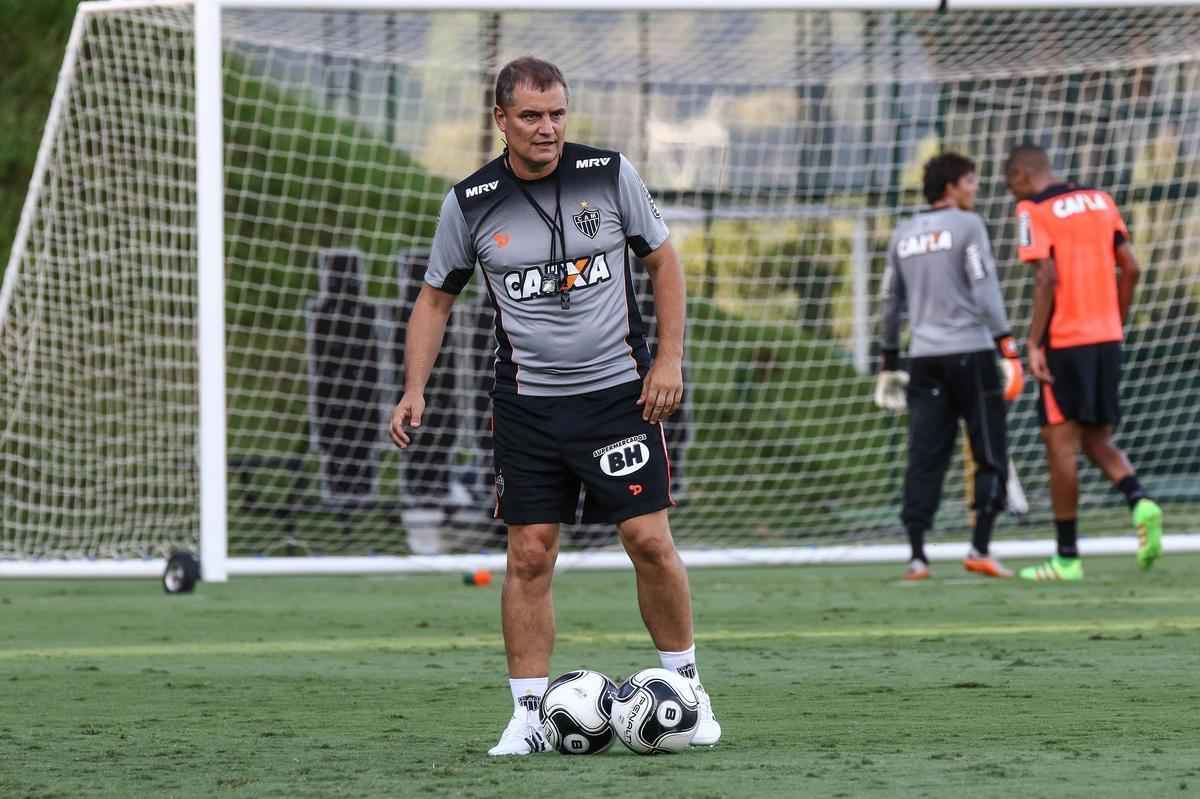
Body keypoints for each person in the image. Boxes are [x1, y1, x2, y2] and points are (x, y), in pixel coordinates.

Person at [388, 56, 720, 756]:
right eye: (532, 116)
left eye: (558, 113)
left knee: (650, 542)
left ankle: (689, 695)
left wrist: (668, 357)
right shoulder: (471, 201)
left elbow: (664, 262)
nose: (548, 128)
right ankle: (529, 717)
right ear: (500, 119)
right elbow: (435, 298)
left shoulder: (610, 174)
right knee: (529, 556)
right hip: (528, 407)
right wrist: (414, 387)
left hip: (617, 396)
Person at [1004, 144, 1163, 581]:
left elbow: (1047, 277)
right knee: (1096, 438)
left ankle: (1067, 558)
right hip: (1106, 337)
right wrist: (1117, 320)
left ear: (1020, 175)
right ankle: (1141, 500)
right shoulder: (1101, 200)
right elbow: (1130, 268)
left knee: (1060, 445)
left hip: (1065, 341)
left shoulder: (1031, 209)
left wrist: (1035, 343)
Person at [876, 152, 1024, 581]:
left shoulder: (902, 233)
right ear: (952, 186)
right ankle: (979, 547)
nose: (975, 189)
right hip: (971, 354)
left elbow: (890, 302)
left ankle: (918, 557)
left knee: (924, 456)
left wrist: (889, 357)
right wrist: (1007, 345)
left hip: (923, 359)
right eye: (972, 181)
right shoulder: (968, 226)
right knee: (989, 450)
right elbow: (985, 290)